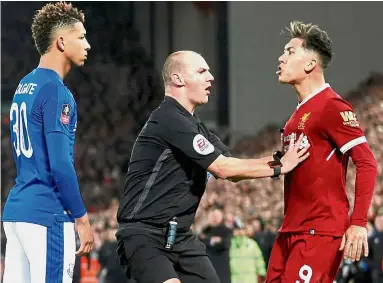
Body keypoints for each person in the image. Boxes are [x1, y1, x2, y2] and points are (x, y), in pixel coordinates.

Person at [116, 50, 310, 283]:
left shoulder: (196, 126)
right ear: (178, 79)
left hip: (180, 237)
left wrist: (280, 159)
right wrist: (281, 167)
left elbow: (233, 170)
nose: (211, 77)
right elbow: (223, 168)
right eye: (201, 71)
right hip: (145, 235)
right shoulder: (168, 119)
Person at [265, 21, 378, 283]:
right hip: (290, 229)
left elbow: (367, 162)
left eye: (290, 51)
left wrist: (358, 222)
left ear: (310, 65)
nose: (281, 58)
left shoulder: (332, 106)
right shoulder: (297, 115)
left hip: (318, 231)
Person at [2, 2, 94, 283]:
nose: (87, 44)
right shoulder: (56, 91)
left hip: (17, 212)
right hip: (48, 214)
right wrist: (82, 219)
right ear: (62, 41)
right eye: (81, 37)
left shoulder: (24, 84)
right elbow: (60, 165)